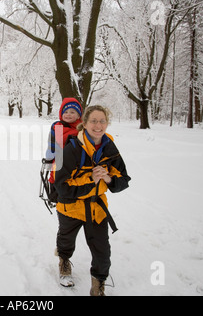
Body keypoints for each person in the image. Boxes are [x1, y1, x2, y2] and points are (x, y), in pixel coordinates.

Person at [53, 105, 131, 295]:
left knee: (102, 252)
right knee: (66, 240)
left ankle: (98, 285)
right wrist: (91, 181)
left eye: (102, 121)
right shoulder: (70, 149)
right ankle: (64, 261)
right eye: (94, 121)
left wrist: (108, 178)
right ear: (84, 124)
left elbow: (124, 181)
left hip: (96, 209)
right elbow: (61, 187)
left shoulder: (109, 148)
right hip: (70, 207)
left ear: (107, 123)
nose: (98, 125)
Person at [45, 98, 83, 183]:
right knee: (58, 180)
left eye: (72, 112)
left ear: (78, 115)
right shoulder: (57, 127)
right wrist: (49, 158)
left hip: (78, 163)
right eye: (65, 112)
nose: (68, 114)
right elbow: (52, 145)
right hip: (60, 161)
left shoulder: (82, 128)